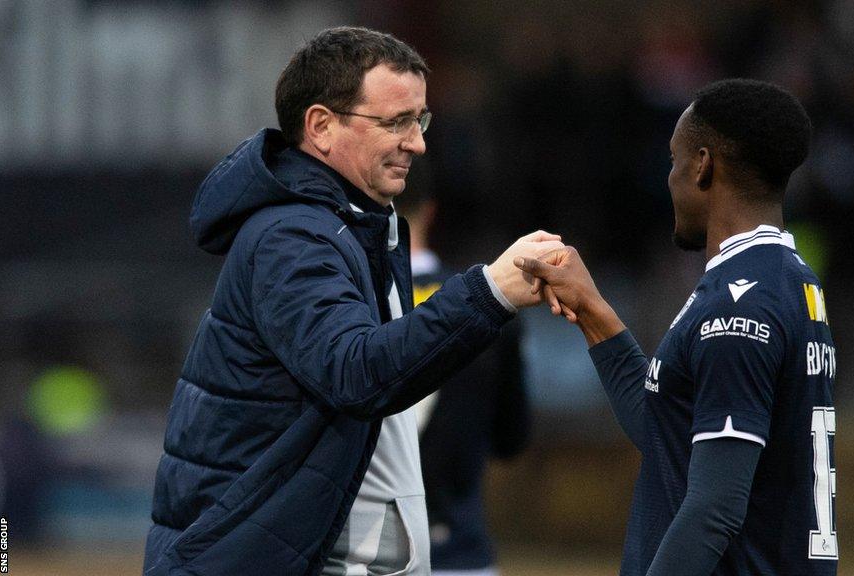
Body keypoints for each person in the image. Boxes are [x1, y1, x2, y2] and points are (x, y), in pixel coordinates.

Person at [142, 27, 562, 576]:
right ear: (320, 126)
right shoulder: (293, 237)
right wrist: (487, 294)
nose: (418, 142)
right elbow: (356, 372)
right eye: (395, 122)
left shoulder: (355, 226)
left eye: (421, 120)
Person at [516, 79, 837, 576]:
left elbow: (714, 509)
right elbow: (667, 434)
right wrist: (591, 308)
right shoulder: (785, 282)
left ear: (703, 165)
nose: (669, 178)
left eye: (674, 160)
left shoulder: (739, 310)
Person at [400, 183, 530, 576]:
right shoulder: (488, 306)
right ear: (430, 210)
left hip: (364, 551)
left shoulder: (345, 304)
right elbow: (511, 439)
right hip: (460, 549)